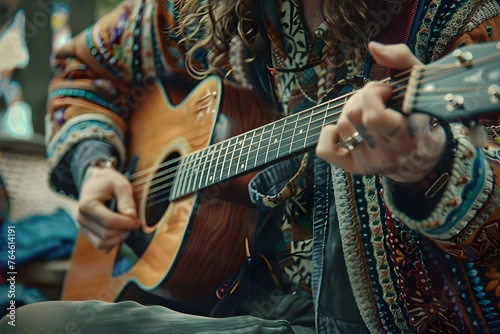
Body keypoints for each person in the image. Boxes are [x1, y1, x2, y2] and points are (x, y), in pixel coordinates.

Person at [1, 0, 499, 333]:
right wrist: (95, 165)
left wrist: (426, 165)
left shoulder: (457, 18)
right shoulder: (213, 10)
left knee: (35, 325)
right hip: (228, 294)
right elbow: (84, 68)